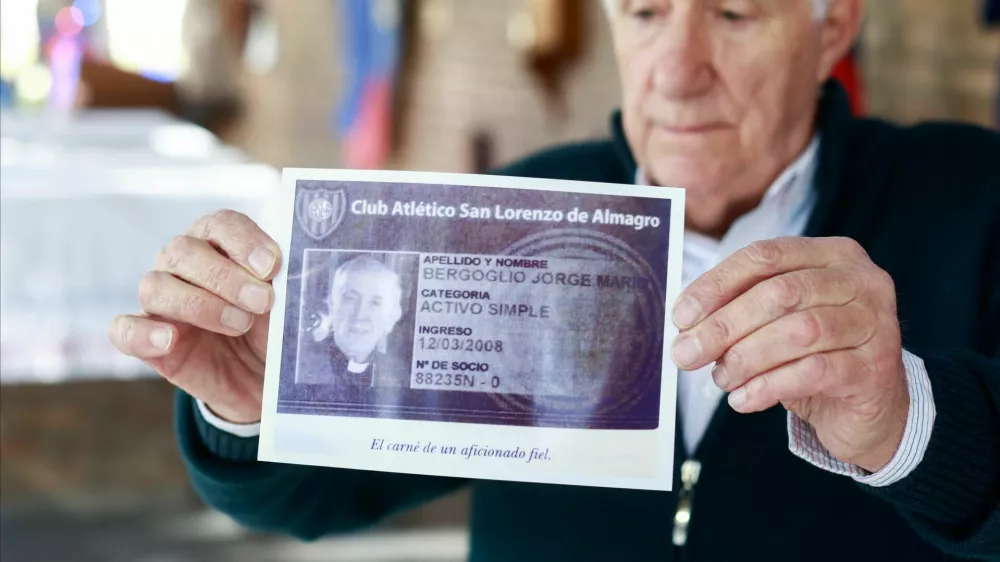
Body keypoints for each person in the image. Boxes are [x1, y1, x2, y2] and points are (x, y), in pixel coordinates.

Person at [109, 0, 1000, 560]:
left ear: (832, 26)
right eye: (645, 14)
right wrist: (250, 411)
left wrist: (909, 424)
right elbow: (320, 499)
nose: (677, 73)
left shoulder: (976, 199)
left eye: (733, 15)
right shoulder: (517, 212)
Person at [296, 255, 404, 387]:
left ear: (392, 317)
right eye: (350, 298)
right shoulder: (300, 364)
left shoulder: (399, 375)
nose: (360, 314)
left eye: (375, 303)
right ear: (332, 306)